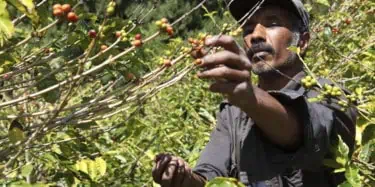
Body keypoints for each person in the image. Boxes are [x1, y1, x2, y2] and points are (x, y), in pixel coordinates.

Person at [152, 0, 357, 186]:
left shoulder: (330, 96)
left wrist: (250, 97)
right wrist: (184, 179)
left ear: (302, 42)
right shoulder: (234, 113)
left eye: (273, 23)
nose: (255, 35)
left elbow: (303, 132)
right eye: (248, 28)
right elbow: (211, 176)